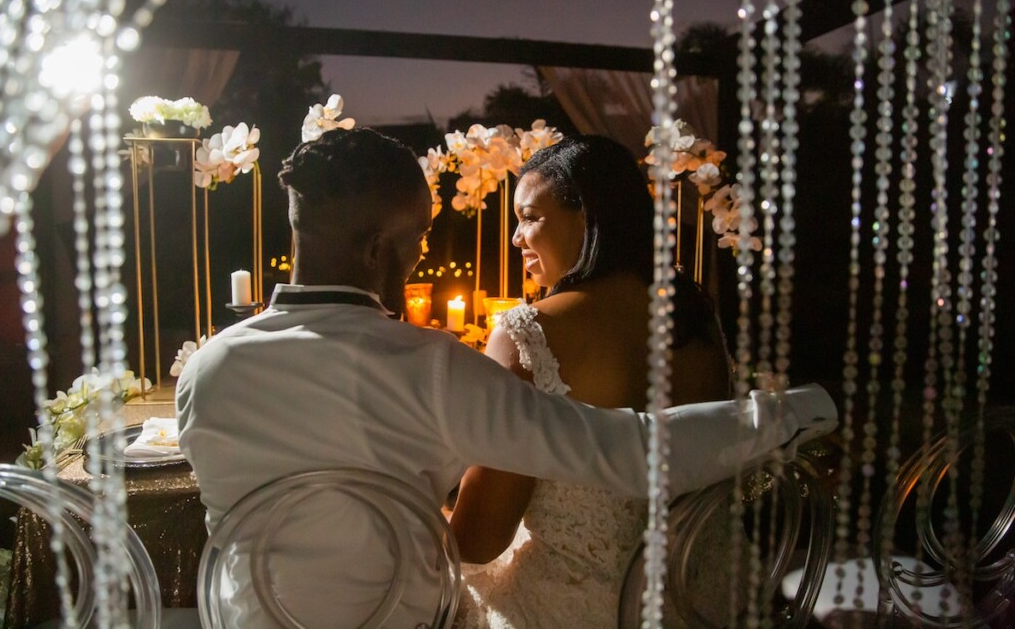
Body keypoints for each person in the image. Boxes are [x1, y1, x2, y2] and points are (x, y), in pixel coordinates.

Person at [175, 127, 836, 627]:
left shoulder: (204, 371)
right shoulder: (431, 367)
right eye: (418, 239)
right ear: (380, 249)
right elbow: (628, 450)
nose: (421, 254)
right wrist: (797, 409)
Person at [450, 135, 734, 628]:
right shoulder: (696, 317)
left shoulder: (529, 333)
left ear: (587, 215)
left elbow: (477, 539)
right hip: (704, 600)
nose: (517, 237)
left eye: (529, 217)